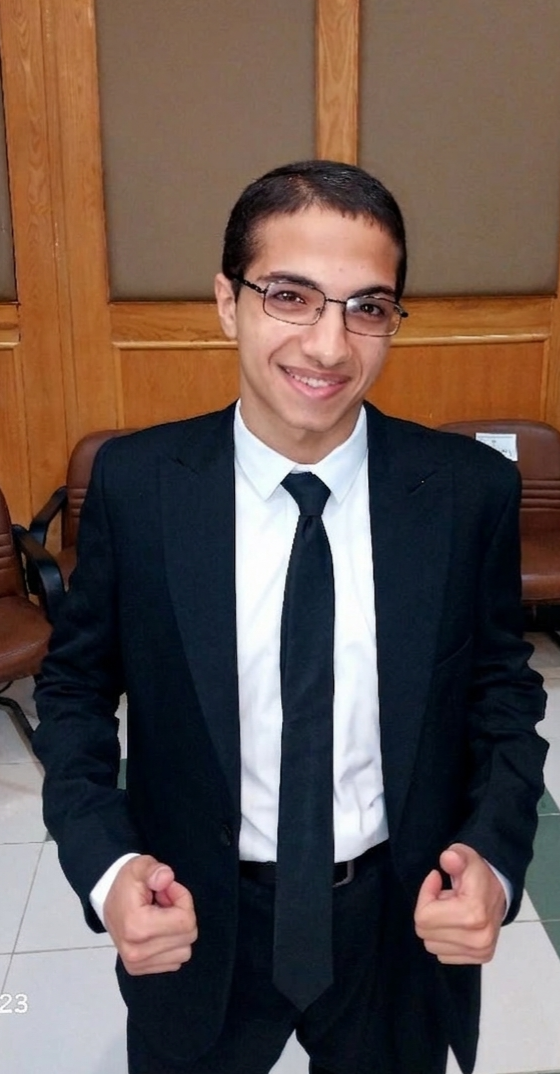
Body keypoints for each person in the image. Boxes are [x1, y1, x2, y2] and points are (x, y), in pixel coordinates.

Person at [33, 160, 548, 1074]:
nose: (329, 346)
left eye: (367, 307)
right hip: (195, 910)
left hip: (396, 918)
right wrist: (107, 867)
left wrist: (497, 860)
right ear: (227, 303)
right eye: (291, 296)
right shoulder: (139, 487)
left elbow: (501, 695)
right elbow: (74, 691)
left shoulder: (466, 492)